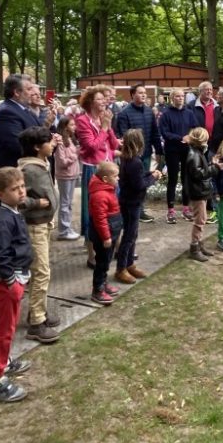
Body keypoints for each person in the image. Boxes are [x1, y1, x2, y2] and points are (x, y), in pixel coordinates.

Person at [0, 166, 33, 403]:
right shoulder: (2, 221)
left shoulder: (14, 213)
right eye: (15, 189)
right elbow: (0, 255)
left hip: (17, 278)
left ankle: (5, 361)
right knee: (5, 330)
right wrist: (11, 281)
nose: (21, 192)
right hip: (7, 283)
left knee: (10, 327)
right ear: (0, 194)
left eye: (22, 186)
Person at [17, 127, 60, 345]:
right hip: (35, 226)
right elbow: (17, 200)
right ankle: (36, 323)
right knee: (41, 272)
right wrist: (35, 203)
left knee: (41, 272)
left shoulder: (41, 164)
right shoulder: (29, 171)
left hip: (43, 224)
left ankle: (38, 312)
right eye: (48, 141)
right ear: (36, 147)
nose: (52, 144)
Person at [116, 129, 162, 284]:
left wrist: (149, 173)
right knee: (128, 236)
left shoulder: (128, 159)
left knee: (132, 235)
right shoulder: (134, 162)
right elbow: (140, 185)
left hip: (129, 201)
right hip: (131, 203)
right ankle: (121, 268)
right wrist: (154, 178)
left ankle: (129, 264)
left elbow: (137, 177)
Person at [74, 86, 119, 241]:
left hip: (110, 168)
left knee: (112, 207)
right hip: (93, 168)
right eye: (99, 99)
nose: (104, 101)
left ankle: (110, 239)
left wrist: (109, 125)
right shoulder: (82, 121)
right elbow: (92, 147)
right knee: (93, 208)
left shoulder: (103, 118)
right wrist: (104, 129)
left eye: (104, 98)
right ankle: (91, 244)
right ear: (90, 102)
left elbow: (114, 145)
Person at [114, 85, 164, 222]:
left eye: (145, 93)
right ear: (132, 95)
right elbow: (123, 135)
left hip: (146, 152)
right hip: (131, 156)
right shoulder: (124, 113)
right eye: (140, 93)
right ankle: (129, 209)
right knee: (131, 183)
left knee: (143, 182)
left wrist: (159, 150)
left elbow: (155, 132)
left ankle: (140, 210)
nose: (143, 95)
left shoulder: (149, 112)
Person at [86, 161, 123, 306]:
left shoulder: (108, 189)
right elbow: (100, 219)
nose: (118, 179)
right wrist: (106, 237)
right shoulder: (100, 195)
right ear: (106, 179)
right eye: (116, 176)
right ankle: (98, 289)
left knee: (106, 261)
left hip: (111, 231)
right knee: (102, 262)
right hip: (104, 236)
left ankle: (104, 282)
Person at [159, 89, 195, 223]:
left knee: (186, 179)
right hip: (172, 150)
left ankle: (186, 209)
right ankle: (171, 211)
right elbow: (164, 133)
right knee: (173, 179)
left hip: (187, 150)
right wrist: (181, 138)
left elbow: (195, 128)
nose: (180, 98)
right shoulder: (166, 114)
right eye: (177, 96)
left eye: (182, 96)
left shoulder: (189, 113)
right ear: (172, 98)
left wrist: (191, 137)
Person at [0, 74, 41, 170]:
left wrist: (51, 138)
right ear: (17, 92)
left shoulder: (25, 110)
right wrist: (46, 144)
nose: (33, 93)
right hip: (15, 172)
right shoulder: (6, 112)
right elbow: (17, 145)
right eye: (29, 89)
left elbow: (39, 133)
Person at [183, 128, 215, 262]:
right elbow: (198, 174)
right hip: (198, 192)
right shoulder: (194, 155)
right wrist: (215, 168)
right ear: (202, 141)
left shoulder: (197, 152)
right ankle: (194, 247)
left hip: (201, 190)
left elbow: (201, 170)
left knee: (203, 218)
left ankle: (199, 244)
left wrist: (212, 165)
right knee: (200, 220)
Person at [190, 82, 218, 223]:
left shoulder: (216, 106)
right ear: (200, 91)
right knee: (201, 175)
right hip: (199, 145)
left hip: (213, 145)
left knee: (210, 175)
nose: (209, 92)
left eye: (210, 89)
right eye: (206, 90)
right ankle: (202, 207)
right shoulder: (192, 106)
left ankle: (212, 207)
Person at [53, 116, 81, 240]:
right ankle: (64, 231)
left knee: (69, 203)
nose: (74, 127)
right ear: (65, 127)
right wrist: (75, 155)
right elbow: (62, 162)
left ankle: (67, 227)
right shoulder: (60, 143)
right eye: (72, 125)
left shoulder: (71, 139)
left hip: (72, 175)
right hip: (65, 176)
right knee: (65, 203)